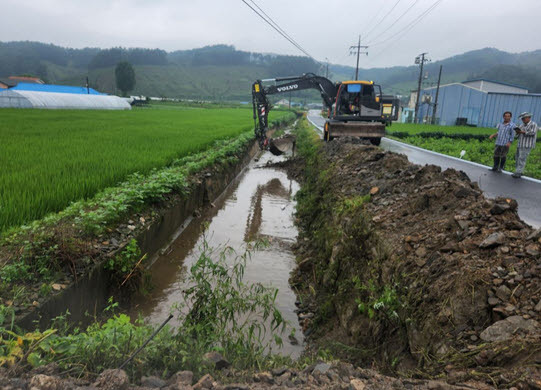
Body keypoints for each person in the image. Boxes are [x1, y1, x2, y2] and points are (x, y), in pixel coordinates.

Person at [512, 112, 538, 178]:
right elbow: (517, 134)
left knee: (522, 158)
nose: (523, 120)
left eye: (524, 118)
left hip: (527, 145)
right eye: (522, 119)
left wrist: (522, 132)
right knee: (517, 157)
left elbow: (533, 132)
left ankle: (519, 172)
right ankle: (518, 171)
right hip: (520, 144)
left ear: (528, 117)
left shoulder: (533, 124)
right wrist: (517, 132)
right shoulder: (522, 125)